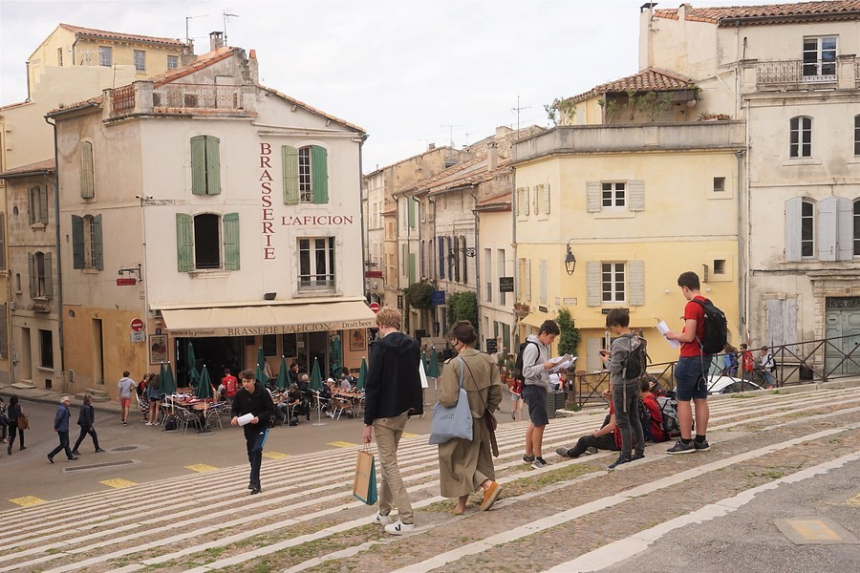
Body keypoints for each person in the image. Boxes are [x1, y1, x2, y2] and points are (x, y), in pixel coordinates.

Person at [362, 307, 423, 535]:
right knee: (389, 462)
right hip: (402, 413)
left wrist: (367, 422)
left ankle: (406, 519)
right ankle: (383, 512)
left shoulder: (379, 347)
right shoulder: (412, 345)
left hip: (383, 416)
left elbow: (373, 385)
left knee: (389, 465)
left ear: (381, 325)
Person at [437, 321, 503, 514]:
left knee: (452, 459)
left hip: (459, 422)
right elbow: (497, 394)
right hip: (481, 419)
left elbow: (449, 398)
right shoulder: (487, 360)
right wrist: (485, 410)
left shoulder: (453, 365)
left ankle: (488, 485)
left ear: (456, 340)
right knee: (474, 459)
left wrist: (440, 397)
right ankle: (461, 505)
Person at [664, 271, 712, 454]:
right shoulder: (707, 303)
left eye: (682, 290)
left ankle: (685, 442)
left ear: (685, 288)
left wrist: (673, 335)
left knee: (682, 400)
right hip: (703, 357)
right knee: (701, 399)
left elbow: (689, 336)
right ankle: (701, 441)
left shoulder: (692, 306)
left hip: (690, 358)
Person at [598, 308, 645, 469]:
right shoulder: (637, 339)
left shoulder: (618, 342)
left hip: (621, 386)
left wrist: (606, 360)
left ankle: (625, 455)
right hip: (635, 383)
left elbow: (614, 368)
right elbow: (628, 357)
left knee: (622, 421)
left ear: (616, 324)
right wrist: (611, 353)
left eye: (612, 326)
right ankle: (639, 450)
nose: (612, 329)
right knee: (634, 418)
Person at [521, 319, 560, 470]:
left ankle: (528, 455)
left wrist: (554, 367)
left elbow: (539, 368)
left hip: (539, 386)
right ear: (543, 333)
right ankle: (538, 458)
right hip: (533, 387)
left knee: (534, 421)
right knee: (540, 423)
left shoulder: (542, 347)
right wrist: (545, 366)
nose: (552, 341)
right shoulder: (533, 348)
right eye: (551, 337)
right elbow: (527, 371)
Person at [230, 370, 276, 495]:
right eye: (244, 382)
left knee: (257, 449)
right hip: (248, 428)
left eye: (248, 381)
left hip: (262, 426)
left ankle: (253, 481)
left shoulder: (263, 393)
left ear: (254, 381)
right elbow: (234, 409)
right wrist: (234, 417)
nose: (246, 384)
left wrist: (259, 418)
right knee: (252, 456)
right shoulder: (240, 394)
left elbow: (271, 410)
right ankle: (257, 484)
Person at [556, 389, 621, 459]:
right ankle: (595, 445)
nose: (609, 389)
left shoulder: (618, 400)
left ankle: (570, 453)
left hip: (619, 441)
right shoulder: (626, 396)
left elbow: (612, 425)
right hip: (630, 438)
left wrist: (596, 434)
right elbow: (614, 414)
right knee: (609, 417)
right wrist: (609, 399)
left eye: (610, 386)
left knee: (583, 440)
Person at [47, 396, 78, 463]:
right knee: (63, 444)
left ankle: (70, 456)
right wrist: (56, 427)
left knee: (66, 443)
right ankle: (51, 455)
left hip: (64, 428)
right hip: (62, 429)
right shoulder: (62, 409)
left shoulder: (65, 408)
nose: (69, 402)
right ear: (64, 402)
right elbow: (58, 419)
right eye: (68, 401)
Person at [639, 378, 667, 443]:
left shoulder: (646, 402)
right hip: (662, 432)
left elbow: (658, 419)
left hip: (656, 434)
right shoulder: (653, 397)